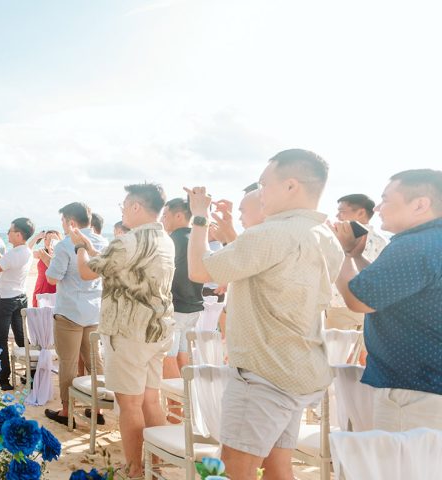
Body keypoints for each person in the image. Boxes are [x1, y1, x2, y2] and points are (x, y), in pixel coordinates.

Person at [186, 149, 342, 480]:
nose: (261, 192)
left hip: (262, 373)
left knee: (231, 468)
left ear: (290, 186)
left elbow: (200, 269)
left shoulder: (272, 234)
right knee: (276, 465)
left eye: (263, 183)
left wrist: (198, 217)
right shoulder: (325, 237)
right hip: (296, 368)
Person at [71, 183, 175, 478]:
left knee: (129, 404)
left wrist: (79, 246)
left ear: (136, 207)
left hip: (128, 333)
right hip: (158, 329)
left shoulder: (127, 241)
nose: (122, 210)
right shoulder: (165, 239)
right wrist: (90, 248)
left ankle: (134, 467)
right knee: (151, 399)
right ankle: (157, 462)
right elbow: (110, 265)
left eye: (124, 205)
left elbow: (87, 271)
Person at [334, 169, 442, 431]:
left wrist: (339, 253)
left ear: (420, 204)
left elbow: (358, 299)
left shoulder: (413, 245)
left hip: (413, 390)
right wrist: (356, 256)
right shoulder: (430, 241)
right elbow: (393, 288)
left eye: (386, 200)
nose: (379, 207)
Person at [43, 202, 109, 427]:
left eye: (63, 221)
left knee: (68, 362)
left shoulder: (64, 245)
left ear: (71, 222)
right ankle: (97, 408)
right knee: (95, 360)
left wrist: (49, 258)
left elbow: (52, 278)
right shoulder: (103, 242)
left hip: (70, 310)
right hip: (94, 311)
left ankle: (66, 410)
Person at [0, 217, 34, 390]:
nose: (8, 233)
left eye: (10, 231)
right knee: (21, 337)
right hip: (20, 297)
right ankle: (32, 372)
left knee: (0, 338)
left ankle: (4, 378)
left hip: (5, 299)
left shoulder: (15, 254)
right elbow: (3, 261)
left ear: (18, 234)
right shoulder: (26, 251)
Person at [328, 193, 389, 330]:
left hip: (341, 306)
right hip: (369, 307)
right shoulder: (383, 241)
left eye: (341, 211)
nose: (337, 216)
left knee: (340, 350)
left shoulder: (339, 238)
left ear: (361, 212)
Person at [160, 198, 203, 383]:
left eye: (165, 214)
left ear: (178, 216)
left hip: (176, 308)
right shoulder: (196, 239)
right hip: (194, 307)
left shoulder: (173, 241)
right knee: (183, 357)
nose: (162, 219)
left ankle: (176, 409)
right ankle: (188, 404)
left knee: (167, 359)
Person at [28, 229, 60, 307]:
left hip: (53, 288)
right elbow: (27, 251)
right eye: (45, 239)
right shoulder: (41, 253)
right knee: (37, 313)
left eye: (51, 239)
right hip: (40, 287)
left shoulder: (60, 255)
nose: (47, 241)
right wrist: (37, 237)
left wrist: (55, 245)